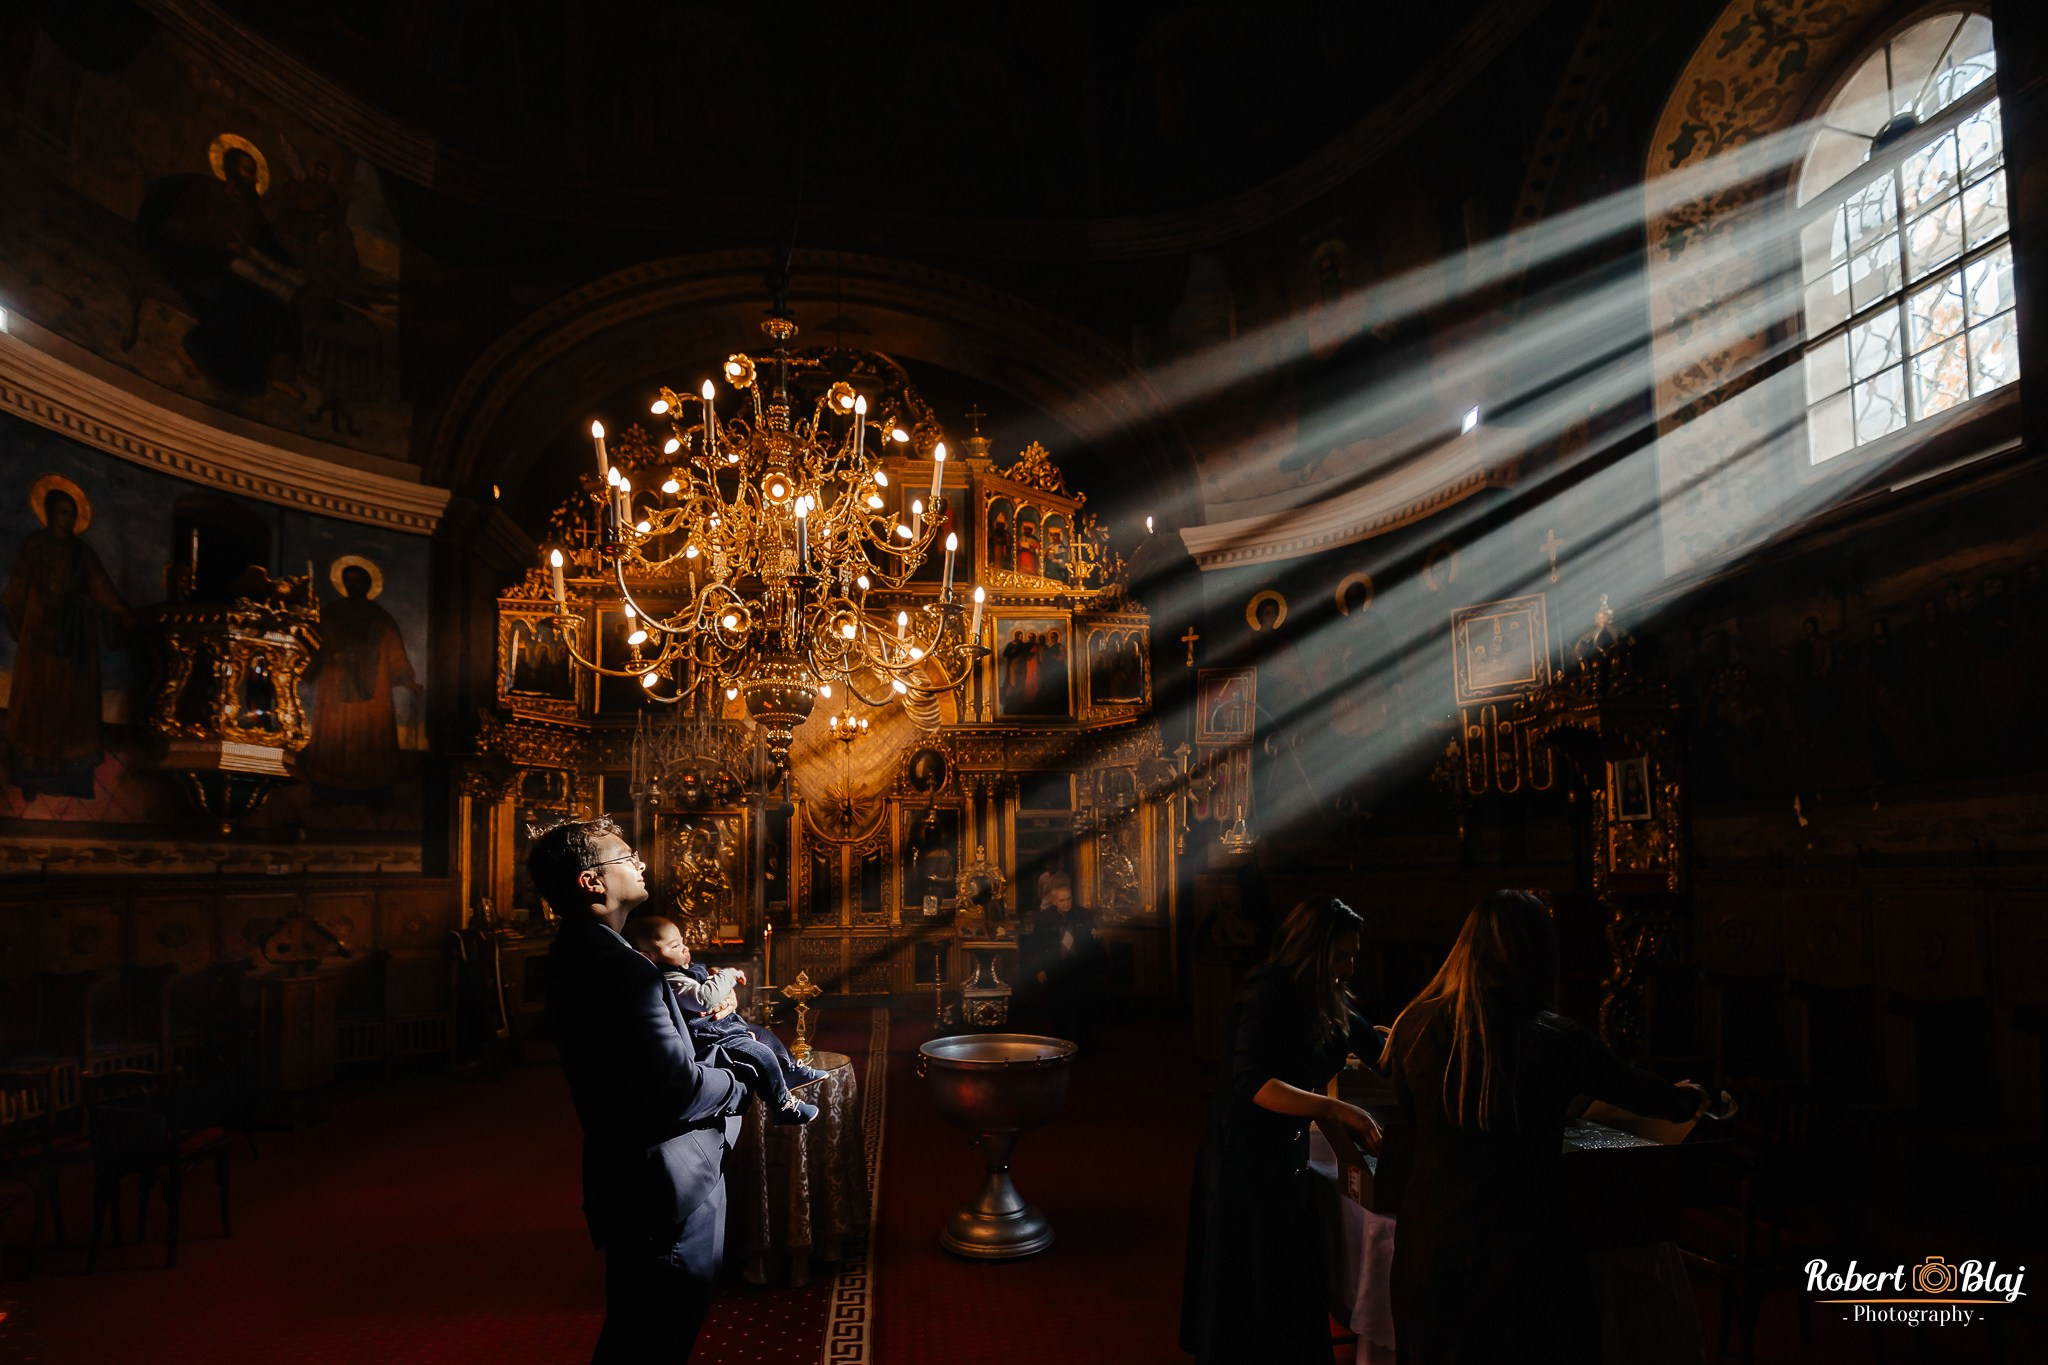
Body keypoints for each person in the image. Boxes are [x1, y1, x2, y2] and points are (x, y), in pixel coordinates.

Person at [1379, 890, 1708, 1364]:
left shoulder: (1414, 1025)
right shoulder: (1554, 1038)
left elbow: (1415, 1122)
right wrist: (1691, 1097)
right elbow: (1641, 1092)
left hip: (1430, 1249)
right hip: (1523, 1255)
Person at [533, 818, 750, 1364]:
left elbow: (632, 1061)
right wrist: (739, 1080)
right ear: (592, 882)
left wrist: (699, 1024)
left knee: (642, 1327)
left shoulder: (583, 954)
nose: (640, 863)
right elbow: (676, 1090)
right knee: (654, 1334)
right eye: (627, 857)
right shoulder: (620, 969)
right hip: (663, 1180)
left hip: (630, 1173)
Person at [1182, 895, 1381, 1365]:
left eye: (1354, 954)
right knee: (1250, 1282)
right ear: (1312, 950)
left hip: (1284, 1154)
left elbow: (1376, 1048)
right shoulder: (1265, 990)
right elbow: (1255, 1085)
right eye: (1340, 956)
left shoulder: (1329, 994)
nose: (1349, 967)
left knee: (1285, 1279)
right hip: (1243, 1157)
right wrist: (1338, 1110)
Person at [623, 914, 825, 1125]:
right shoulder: (669, 979)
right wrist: (726, 975)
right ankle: (781, 1103)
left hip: (724, 1028)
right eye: (675, 946)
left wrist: (713, 974)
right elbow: (704, 999)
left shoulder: (682, 970)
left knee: (764, 1034)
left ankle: (790, 1071)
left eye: (683, 942)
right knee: (760, 1052)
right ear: (648, 957)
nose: (684, 949)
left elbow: (703, 982)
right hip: (711, 1038)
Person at [1, 486, 133, 799]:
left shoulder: (81, 553)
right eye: (62, 512)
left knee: (71, 708)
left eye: (72, 513)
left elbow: (103, 592)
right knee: (37, 703)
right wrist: (19, 617)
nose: (68, 519)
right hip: (40, 643)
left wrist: (120, 613)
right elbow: (17, 589)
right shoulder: (35, 545)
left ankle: (73, 778)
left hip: (74, 645)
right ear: (49, 513)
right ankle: (28, 775)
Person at [1023, 872, 1105, 1046]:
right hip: (1056, 970)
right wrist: (1039, 970)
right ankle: (1060, 1047)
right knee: (1059, 1011)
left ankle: (1084, 1046)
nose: (1066, 903)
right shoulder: (1043, 919)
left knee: (1083, 1010)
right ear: (1053, 901)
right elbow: (1036, 947)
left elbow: (1093, 942)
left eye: (1068, 899)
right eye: (1062, 900)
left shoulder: (1083, 914)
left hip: (1080, 969)